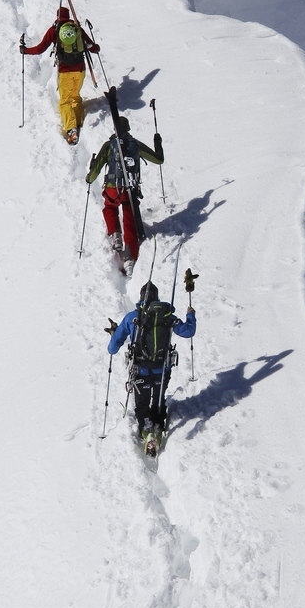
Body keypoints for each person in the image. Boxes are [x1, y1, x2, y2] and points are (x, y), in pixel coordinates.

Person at [109, 278, 196, 452]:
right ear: (156, 297)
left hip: (140, 369)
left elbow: (113, 347)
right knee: (158, 399)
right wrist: (190, 314)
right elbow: (188, 331)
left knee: (142, 403)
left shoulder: (132, 317)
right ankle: (157, 424)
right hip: (162, 369)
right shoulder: (167, 316)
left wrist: (113, 342)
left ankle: (146, 429)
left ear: (141, 297)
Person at [86, 116, 163, 265]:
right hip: (129, 189)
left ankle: (116, 235)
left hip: (112, 188)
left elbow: (97, 169)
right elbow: (158, 160)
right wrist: (157, 143)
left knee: (110, 207)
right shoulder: (136, 145)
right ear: (128, 129)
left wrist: (89, 178)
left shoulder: (109, 145)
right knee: (129, 219)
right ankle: (130, 258)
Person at [21, 6, 100, 144]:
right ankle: (79, 122)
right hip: (80, 70)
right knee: (75, 96)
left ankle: (71, 129)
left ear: (57, 17)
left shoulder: (55, 30)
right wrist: (96, 47)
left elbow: (40, 48)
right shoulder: (77, 29)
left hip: (65, 71)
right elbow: (93, 47)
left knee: (64, 101)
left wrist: (25, 51)